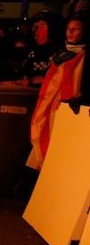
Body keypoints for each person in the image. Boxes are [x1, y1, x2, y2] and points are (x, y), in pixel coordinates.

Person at [26, 13, 86, 170]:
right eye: (68, 29)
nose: (71, 32)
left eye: (76, 29)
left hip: (74, 114)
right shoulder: (60, 54)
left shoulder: (84, 55)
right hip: (53, 110)